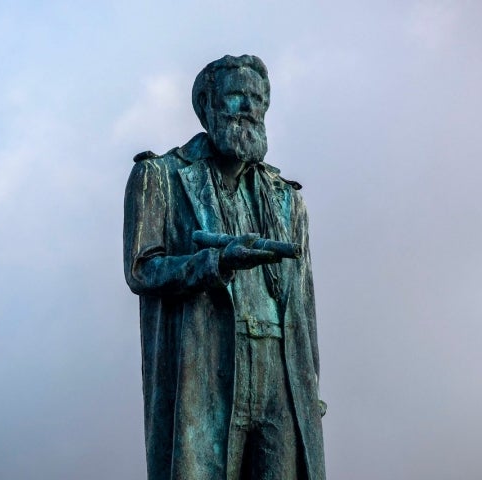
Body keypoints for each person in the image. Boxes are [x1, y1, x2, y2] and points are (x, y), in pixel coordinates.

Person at [123, 54, 326, 480]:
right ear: (207, 107)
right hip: (208, 367)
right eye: (236, 96)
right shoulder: (159, 175)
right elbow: (142, 270)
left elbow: (304, 307)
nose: (249, 107)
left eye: (257, 98)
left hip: (281, 376)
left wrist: (310, 388)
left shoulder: (288, 198)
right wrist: (215, 262)